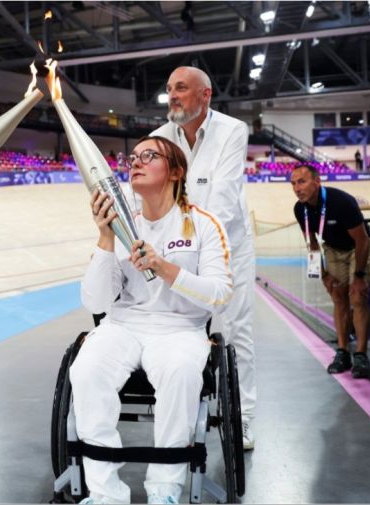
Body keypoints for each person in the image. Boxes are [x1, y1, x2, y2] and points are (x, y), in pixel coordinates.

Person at [71, 136, 233, 504]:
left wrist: (164, 267)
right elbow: (95, 301)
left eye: (149, 155)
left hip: (181, 329)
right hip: (123, 325)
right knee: (85, 370)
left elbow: (221, 295)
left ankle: (165, 492)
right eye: (133, 156)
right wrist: (105, 237)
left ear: (176, 171)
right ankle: (105, 494)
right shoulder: (124, 224)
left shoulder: (204, 225)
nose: (135, 161)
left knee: (181, 374)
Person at [151, 66, 258, 450]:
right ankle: (182, 409)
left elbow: (223, 202)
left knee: (233, 330)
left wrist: (196, 256)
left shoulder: (232, 131)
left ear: (205, 95)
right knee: (180, 328)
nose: (172, 95)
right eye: (168, 89)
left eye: (181, 88)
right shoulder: (159, 138)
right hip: (179, 250)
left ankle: (243, 418)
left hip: (230, 248)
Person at [290, 164, 370, 379]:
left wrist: (358, 276)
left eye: (301, 182)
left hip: (360, 247)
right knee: (338, 297)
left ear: (317, 181)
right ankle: (342, 352)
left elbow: (362, 239)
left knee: (357, 297)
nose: (296, 188)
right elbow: (311, 244)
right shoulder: (300, 209)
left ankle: (361, 355)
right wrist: (323, 274)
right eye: (293, 183)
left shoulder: (340, 201)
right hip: (333, 250)